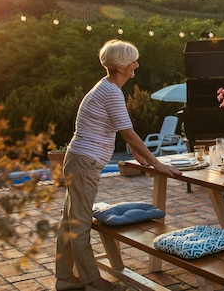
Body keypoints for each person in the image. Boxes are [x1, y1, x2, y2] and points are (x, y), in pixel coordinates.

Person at [55, 39, 182, 291]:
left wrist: (143, 158)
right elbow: (129, 134)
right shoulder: (111, 92)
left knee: (70, 221)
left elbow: (124, 134)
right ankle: (92, 283)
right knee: (79, 225)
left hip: (78, 159)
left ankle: (65, 279)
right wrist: (157, 164)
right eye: (133, 60)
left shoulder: (104, 87)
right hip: (84, 162)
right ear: (122, 65)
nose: (137, 64)